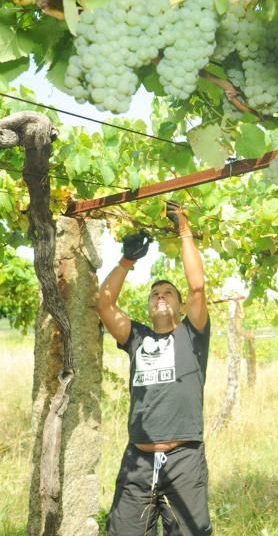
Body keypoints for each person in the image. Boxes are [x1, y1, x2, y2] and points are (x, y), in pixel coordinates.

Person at [97, 202, 212, 536]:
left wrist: (184, 229)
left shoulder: (192, 335)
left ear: (178, 304)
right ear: (148, 307)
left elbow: (197, 287)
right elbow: (103, 303)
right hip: (138, 461)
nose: (160, 296)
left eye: (168, 293)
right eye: (155, 294)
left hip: (183, 461)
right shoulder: (136, 337)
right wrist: (127, 260)